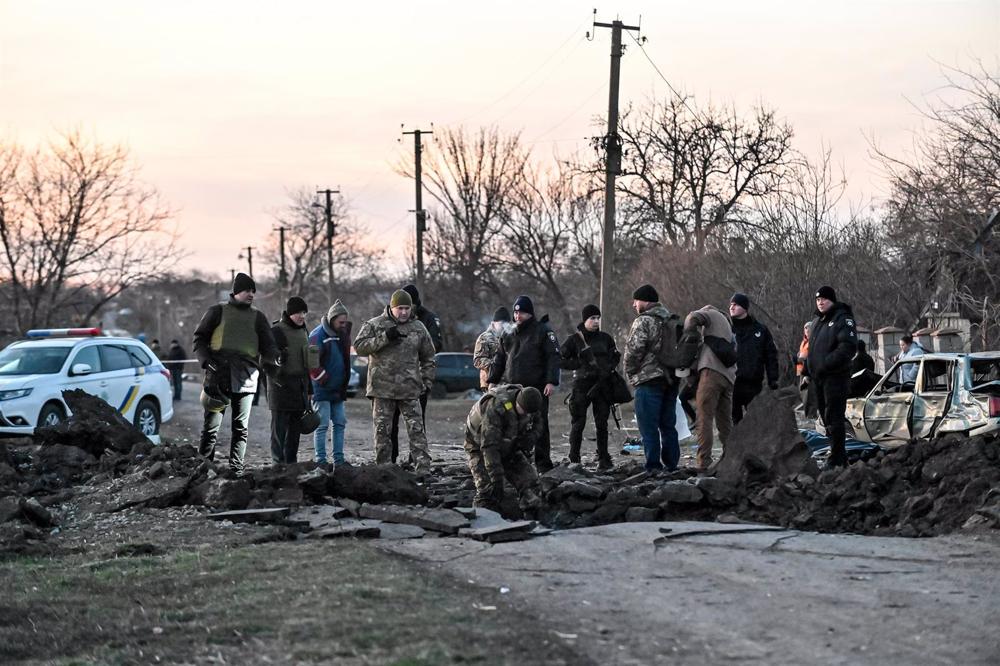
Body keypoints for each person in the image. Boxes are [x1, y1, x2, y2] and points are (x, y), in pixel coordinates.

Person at [193, 272, 277, 476]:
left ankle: (236, 469)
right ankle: (203, 468)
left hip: (246, 376)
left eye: (253, 291)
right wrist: (206, 362)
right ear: (236, 291)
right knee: (211, 426)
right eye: (248, 290)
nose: (251, 294)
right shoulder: (216, 311)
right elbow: (200, 339)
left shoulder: (258, 317)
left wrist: (274, 359)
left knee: (241, 428)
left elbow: (269, 346)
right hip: (218, 373)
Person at [354, 289, 436, 470]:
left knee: (417, 431)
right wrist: (384, 337)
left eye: (407, 308)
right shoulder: (375, 324)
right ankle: (384, 469)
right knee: (383, 433)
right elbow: (359, 347)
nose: (404, 312)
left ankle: (423, 468)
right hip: (382, 390)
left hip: (410, 389)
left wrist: (427, 381)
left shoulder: (418, 328)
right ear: (392, 308)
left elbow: (429, 356)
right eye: (400, 308)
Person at [488, 295, 560, 472]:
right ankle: (517, 462)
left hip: (536, 387)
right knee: (513, 425)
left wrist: (551, 381)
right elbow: (499, 358)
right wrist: (492, 380)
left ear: (530, 314)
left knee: (539, 425)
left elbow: (553, 357)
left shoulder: (542, 331)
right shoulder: (509, 333)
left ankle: (543, 463)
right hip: (513, 388)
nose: (518, 316)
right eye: (515, 312)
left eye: (522, 313)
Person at [623, 284, 681, 473]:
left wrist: (630, 372)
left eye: (636, 300)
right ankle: (672, 465)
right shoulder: (670, 319)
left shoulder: (644, 321)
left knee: (648, 427)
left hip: (649, 380)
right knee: (668, 426)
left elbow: (634, 350)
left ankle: (653, 466)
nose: (634, 304)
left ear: (645, 301)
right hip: (671, 379)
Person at [464, 384, 545, 511]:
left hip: (510, 446)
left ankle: (529, 517)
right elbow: (489, 447)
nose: (525, 415)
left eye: (528, 413)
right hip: (480, 447)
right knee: (489, 492)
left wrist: (531, 436)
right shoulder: (497, 407)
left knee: (532, 484)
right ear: (517, 402)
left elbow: (539, 423)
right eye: (523, 411)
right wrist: (496, 477)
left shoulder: (532, 404)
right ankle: (481, 522)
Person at [559, 304, 620, 469]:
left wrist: (608, 368)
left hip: (602, 385)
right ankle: (574, 459)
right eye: (592, 318)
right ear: (585, 319)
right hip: (582, 385)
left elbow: (615, 356)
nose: (596, 321)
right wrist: (577, 364)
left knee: (602, 423)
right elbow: (559, 359)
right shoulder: (575, 340)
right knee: (578, 423)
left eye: (598, 318)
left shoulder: (606, 338)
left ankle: (604, 459)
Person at [390, 284, 444, 464]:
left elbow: (435, 345)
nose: (404, 310)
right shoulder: (396, 318)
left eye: (407, 306)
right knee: (392, 420)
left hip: (418, 377)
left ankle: (417, 457)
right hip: (395, 379)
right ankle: (392, 456)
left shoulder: (427, 319)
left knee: (416, 422)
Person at [806, 285, 858, 468]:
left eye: (824, 299)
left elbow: (848, 347)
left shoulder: (842, 319)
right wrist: (808, 368)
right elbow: (812, 350)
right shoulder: (817, 322)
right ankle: (837, 454)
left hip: (835, 376)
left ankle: (836, 456)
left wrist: (826, 363)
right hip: (818, 377)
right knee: (825, 417)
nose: (820, 302)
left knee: (834, 416)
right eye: (818, 300)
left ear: (832, 300)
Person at [685, 305, 737, 471]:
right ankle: (731, 459)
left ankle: (704, 462)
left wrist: (689, 336)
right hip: (728, 377)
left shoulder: (711, 314)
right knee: (725, 422)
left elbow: (692, 317)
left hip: (711, 374)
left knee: (704, 418)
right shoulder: (727, 328)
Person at [266, 297, 317, 465]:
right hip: (281, 388)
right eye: (298, 313)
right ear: (289, 313)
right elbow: (265, 360)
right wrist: (278, 364)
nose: (302, 316)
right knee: (279, 431)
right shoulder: (276, 331)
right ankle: (277, 466)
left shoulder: (304, 332)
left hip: (299, 387)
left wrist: (310, 389)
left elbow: (307, 363)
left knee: (294, 433)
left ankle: (291, 466)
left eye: (304, 313)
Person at [309, 300, 352, 466]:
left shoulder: (342, 335)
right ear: (332, 319)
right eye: (341, 322)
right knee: (322, 425)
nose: (343, 325)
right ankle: (321, 460)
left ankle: (339, 460)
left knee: (340, 422)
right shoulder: (317, 335)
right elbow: (312, 363)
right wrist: (323, 379)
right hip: (322, 389)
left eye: (345, 322)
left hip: (338, 389)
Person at [729, 293, 779, 424]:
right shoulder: (727, 329)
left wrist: (773, 378)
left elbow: (770, 355)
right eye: (731, 304)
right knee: (734, 422)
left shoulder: (760, 329)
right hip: (733, 382)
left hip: (753, 382)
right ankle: (737, 444)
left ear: (745, 308)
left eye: (736, 304)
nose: (732, 307)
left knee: (757, 420)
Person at [473, 307, 510, 391]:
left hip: (507, 382)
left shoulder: (509, 337)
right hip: (490, 382)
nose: (505, 326)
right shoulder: (484, 338)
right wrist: (495, 366)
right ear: (493, 324)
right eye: (502, 323)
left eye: (507, 323)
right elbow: (478, 360)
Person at [796, 321, 818, 419]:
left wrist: (807, 374)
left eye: (809, 329)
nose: (807, 331)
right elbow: (800, 354)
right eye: (805, 329)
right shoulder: (803, 342)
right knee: (803, 393)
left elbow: (813, 357)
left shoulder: (814, 341)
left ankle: (811, 416)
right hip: (801, 371)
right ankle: (808, 415)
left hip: (809, 371)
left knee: (810, 394)